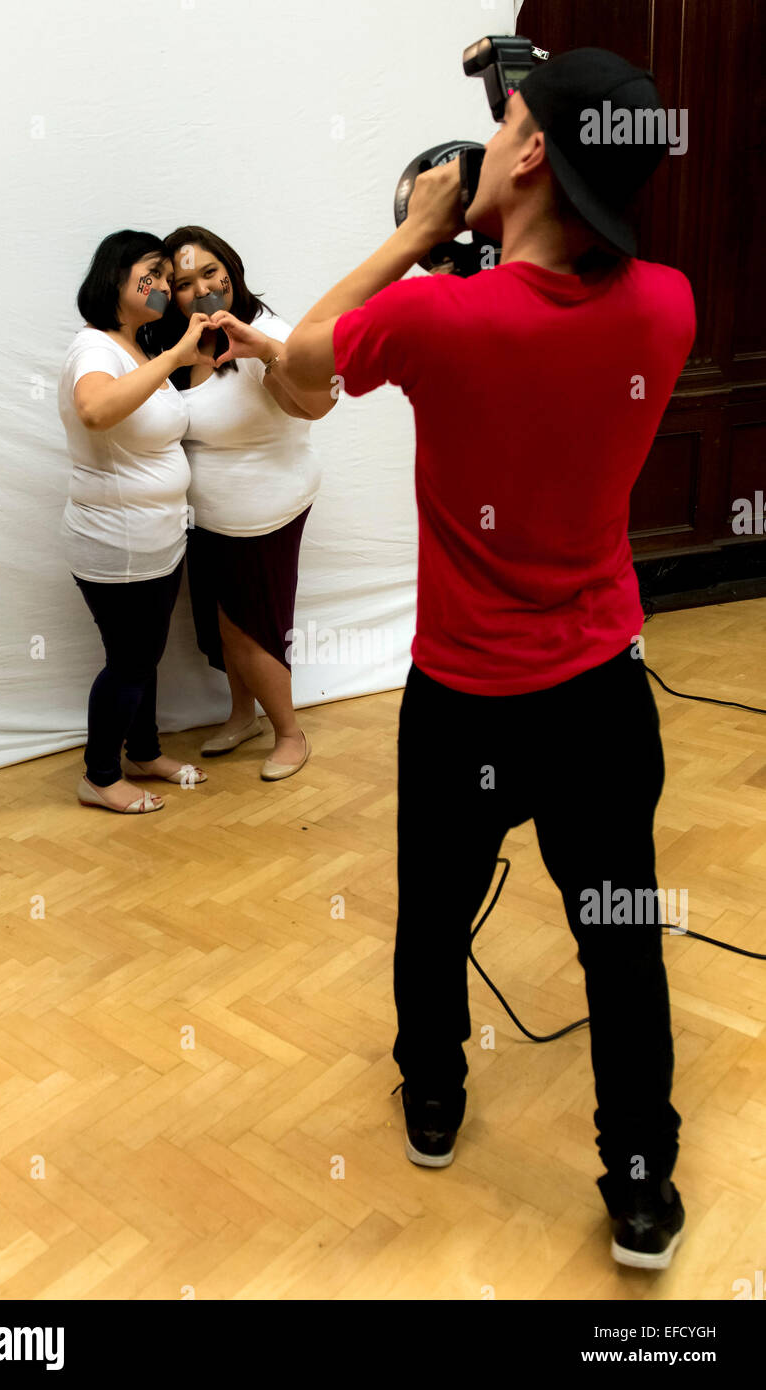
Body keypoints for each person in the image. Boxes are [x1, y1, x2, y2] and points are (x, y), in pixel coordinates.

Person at [275, 49, 697, 1268]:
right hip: (602, 698)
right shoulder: (666, 304)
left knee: (432, 917)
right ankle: (639, 1188)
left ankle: (435, 1100)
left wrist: (416, 231)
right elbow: (570, 279)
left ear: (521, 159)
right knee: (619, 934)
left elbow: (302, 369)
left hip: (464, 701)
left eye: (506, 120)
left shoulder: (429, 315)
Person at [143, 227, 337, 781]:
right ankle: (240, 715)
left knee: (253, 628)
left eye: (210, 271)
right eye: (183, 282)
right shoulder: (181, 343)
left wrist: (268, 352)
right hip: (206, 518)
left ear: (230, 267)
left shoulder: (267, 332)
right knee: (219, 624)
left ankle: (290, 735)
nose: (201, 288)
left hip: (265, 511)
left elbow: (314, 405)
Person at [58, 230, 217, 813]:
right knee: (129, 661)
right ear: (114, 281)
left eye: (165, 279)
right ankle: (99, 776)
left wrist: (184, 359)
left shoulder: (138, 349)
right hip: (117, 544)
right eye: (148, 275)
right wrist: (178, 358)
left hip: (157, 541)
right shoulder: (94, 349)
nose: (161, 287)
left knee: (144, 657)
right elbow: (96, 410)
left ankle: (144, 751)